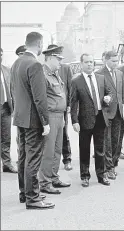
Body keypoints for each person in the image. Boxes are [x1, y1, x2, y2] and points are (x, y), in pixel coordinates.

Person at [10, 32, 54, 209]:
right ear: (40, 44)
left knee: (23, 157)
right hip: (33, 119)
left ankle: (25, 193)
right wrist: (45, 122)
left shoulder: (16, 63)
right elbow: (39, 97)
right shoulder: (35, 64)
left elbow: (14, 91)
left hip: (20, 117)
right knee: (33, 158)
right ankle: (33, 198)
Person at [70, 53, 112, 187]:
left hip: (100, 117)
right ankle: (85, 176)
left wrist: (108, 98)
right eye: (87, 62)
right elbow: (73, 103)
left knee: (100, 149)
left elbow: (108, 92)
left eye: (91, 62)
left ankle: (101, 175)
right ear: (81, 64)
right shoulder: (76, 81)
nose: (89, 64)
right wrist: (74, 121)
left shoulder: (101, 78)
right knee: (85, 149)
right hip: (84, 120)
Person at [38, 45, 71, 195]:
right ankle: (45, 182)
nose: (60, 62)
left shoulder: (55, 74)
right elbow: (41, 100)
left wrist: (63, 117)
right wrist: (44, 122)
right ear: (50, 58)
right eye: (58, 59)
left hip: (59, 116)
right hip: (50, 116)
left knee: (58, 149)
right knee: (48, 151)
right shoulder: (42, 74)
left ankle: (53, 177)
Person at [96, 51, 124, 180]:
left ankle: (113, 164)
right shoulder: (99, 73)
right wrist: (104, 99)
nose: (116, 63)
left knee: (116, 141)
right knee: (107, 142)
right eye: (114, 61)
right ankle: (108, 168)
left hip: (119, 113)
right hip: (105, 113)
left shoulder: (120, 74)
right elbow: (96, 95)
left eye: (117, 61)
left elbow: (123, 94)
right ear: (106, 60)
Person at [47, 45, 74, 171]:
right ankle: (50, 170)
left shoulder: (65, 68)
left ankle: (67, 159)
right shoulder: (45, 71)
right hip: (52, 110)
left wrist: (69, 105)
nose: (60, 61)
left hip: (62, 109)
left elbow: (69, 88)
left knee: (64, 135)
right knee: (51, 141)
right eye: (58, 57)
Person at [1, 48, 17, 173]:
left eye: (1, 54)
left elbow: (12, 89)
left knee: (6, 138)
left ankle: (7, 164)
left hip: (6, 108)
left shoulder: (6, 70)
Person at [14, 45, 27, 166]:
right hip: (23, 111)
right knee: (23, 140)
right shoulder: (19, 67)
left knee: (22, 140)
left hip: (19, 111)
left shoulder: (15, 67)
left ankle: (22, 160)